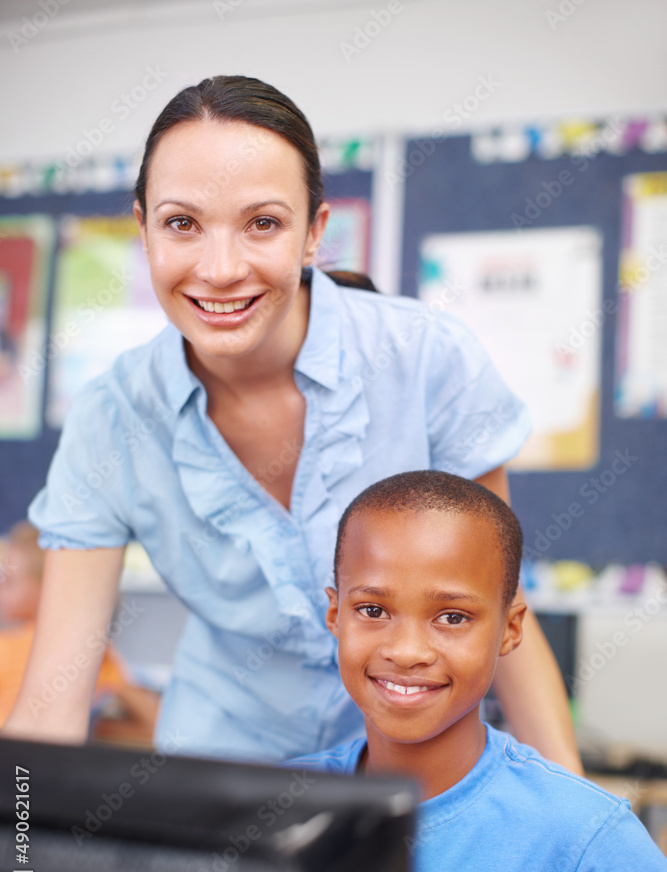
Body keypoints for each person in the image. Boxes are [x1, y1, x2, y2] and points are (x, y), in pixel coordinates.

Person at [3, 75, 579, 770]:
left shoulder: (424, 356)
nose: (219, 270)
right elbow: (53, 700)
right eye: (182, 223)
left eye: (262, 223)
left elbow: (500, 608)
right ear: (144, 231)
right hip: (224, 761)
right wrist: (23, 871)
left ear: (314, 234)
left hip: (413, 753)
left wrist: (574, 807)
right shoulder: (112, 417)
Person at [290, 470, 667, 872]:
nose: (406, 650)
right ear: (336, 613)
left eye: (451, 616)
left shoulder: (583, 835)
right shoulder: (283, 806)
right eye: (372, 610)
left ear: (510, 629)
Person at [0, 522, 158, 745]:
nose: (0, 589)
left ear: (50, 589)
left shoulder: (6, 647)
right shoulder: (94, 649)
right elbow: (155, 727)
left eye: (9, 582)